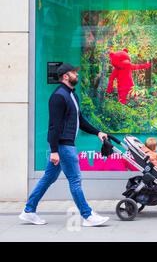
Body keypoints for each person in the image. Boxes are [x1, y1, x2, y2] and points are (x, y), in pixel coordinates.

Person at [19, 63, 110, 227]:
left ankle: (28, 211)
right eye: (74, 72)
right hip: (63, 146)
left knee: (49, 178)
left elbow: (79, 121)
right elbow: (53, 125)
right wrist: (54, 150)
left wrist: (97, 132)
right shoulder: (58, 96)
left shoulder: (72, 95)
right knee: (75, 180)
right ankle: (88, 215)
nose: (77, 75)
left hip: (64, 145)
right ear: (65, 76)